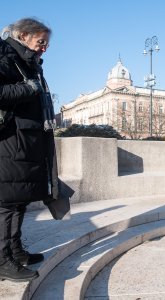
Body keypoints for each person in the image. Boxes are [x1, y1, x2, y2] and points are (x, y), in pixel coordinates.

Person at [0, 18, 58, 282]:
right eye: (41, 42)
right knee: (8, 203)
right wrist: (28, 88)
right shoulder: (6, 54)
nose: (44, 48)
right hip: (11, 141)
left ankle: (15, 251)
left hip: (28, 141)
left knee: (20, 200)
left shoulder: (28, 62)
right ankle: (2, 260)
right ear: (24, 35)